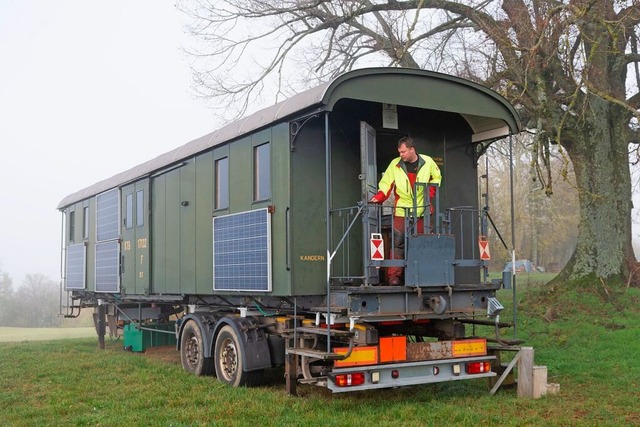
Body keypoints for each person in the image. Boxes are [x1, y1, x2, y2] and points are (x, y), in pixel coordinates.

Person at [369, 136, 442, 285]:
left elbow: (437, 177)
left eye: (403, 152)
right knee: (399, 243)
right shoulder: (395, 164)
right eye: (399, 152)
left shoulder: (428, 162)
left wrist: (430, 192)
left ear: (411, 150)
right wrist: (380, 197)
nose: (400, 154)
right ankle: (394, 277)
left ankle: (423, 276)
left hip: (423, 211)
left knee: (423, 243)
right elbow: (386, 183)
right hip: (401, 211)